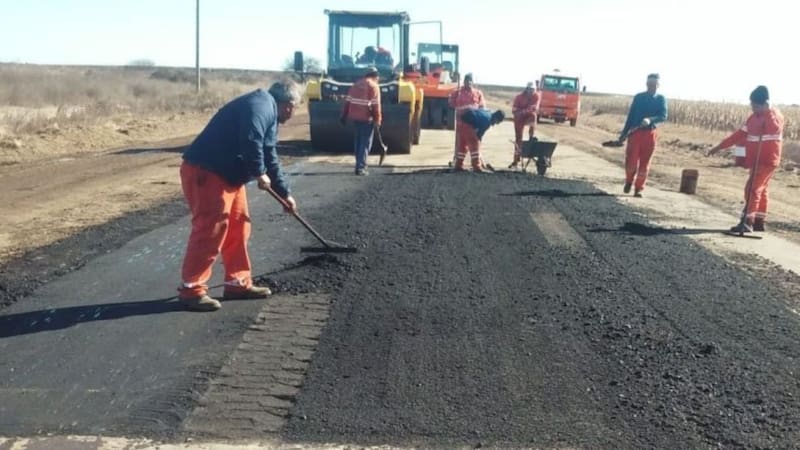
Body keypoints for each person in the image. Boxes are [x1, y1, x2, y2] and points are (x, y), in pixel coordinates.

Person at [178, 80, 300, 312]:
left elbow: (269, 153)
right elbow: (251, 139)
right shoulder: (261, 105)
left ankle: (237, 283)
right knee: (211, 229)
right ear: (289, 105)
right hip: (207, 170)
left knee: (239, 227)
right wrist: (259, 172)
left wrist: (286, 194)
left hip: (229, 176)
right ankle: (191, 290)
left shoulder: (269, 112)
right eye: (295, 109)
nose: (293, 114)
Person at [707, 86, 784, 233]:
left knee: (752, 189)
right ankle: (759, 221)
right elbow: (738, 136)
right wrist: (718, 147)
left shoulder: (775, 115)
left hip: (767, 160)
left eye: (755, 105)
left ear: (765, 103)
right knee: (761, 189)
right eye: (752, 105)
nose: (753, 108)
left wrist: (767, 112)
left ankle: (747, 222)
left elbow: (774, 129)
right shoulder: (752, 118)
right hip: (756, 160)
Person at [617, 73, 668, 197]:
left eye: (655, 84)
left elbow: (663, 116)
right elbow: (630, 116)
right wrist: (623, 134)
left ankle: (638, 188)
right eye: (650, 84)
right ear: (646, 84)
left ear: (658, 85)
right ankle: (629, 181)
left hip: (650, 135)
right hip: (635, 133)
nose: (652, 87)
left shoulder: (660, 99)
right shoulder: (639, 97)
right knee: (631, 161)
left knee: (645, 164)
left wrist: (651, 120)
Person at [340, 66, 382, 175]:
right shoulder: (374, 86)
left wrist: (343, 116)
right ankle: (361, 167)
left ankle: (359, 164)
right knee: (365, 142)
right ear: (375, 76)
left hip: (355, 117)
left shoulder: (356, 85)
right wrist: (378, 120)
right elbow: (375, 105)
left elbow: (347, 102)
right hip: (366, 118)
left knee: (358, 142)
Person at [448, 73, 487, 171]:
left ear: (472, 82)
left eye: (470, 80)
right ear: (464, 81)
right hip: (461, 124)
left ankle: (475, 165)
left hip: (472, 124)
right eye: (467, 80)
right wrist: (454, 95)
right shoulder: (458, 93)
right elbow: (451, 104)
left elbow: (482, 107)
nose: (468, 82)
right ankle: (460, 165)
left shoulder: (477, 93)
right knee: (462, 145)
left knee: (474, 144)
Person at [511, 82, 541, 168]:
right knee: (518, 139)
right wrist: (521, 112)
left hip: (527, 115)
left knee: (533, 116)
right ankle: (516, 160)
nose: (531, 91)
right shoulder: (519, 97)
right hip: (519, 118)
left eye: (533, 90)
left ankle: (531, 136)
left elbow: (534, 108)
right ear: (526, 89)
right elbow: (514, 110)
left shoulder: (536, 96)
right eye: (529, 89)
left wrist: (523, 111)